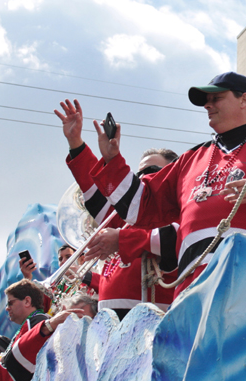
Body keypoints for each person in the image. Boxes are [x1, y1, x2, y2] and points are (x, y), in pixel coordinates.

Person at [58, 71, 246, 297]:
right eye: (206, 100)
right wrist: (112, 159)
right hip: (191, 288)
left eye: (216, 98)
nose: (208, 105)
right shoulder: (191, 158)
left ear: (244, 100)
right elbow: (137, 208)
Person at [55, 119, 178, 319]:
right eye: (140, 173)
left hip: (153, 323)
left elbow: (174, 238)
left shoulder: (178, 208)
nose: (144, 178)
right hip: (109, 328)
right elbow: (94, 191)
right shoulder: (126, 218)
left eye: (153, 171)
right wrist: (76, 143)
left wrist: (121, 240)